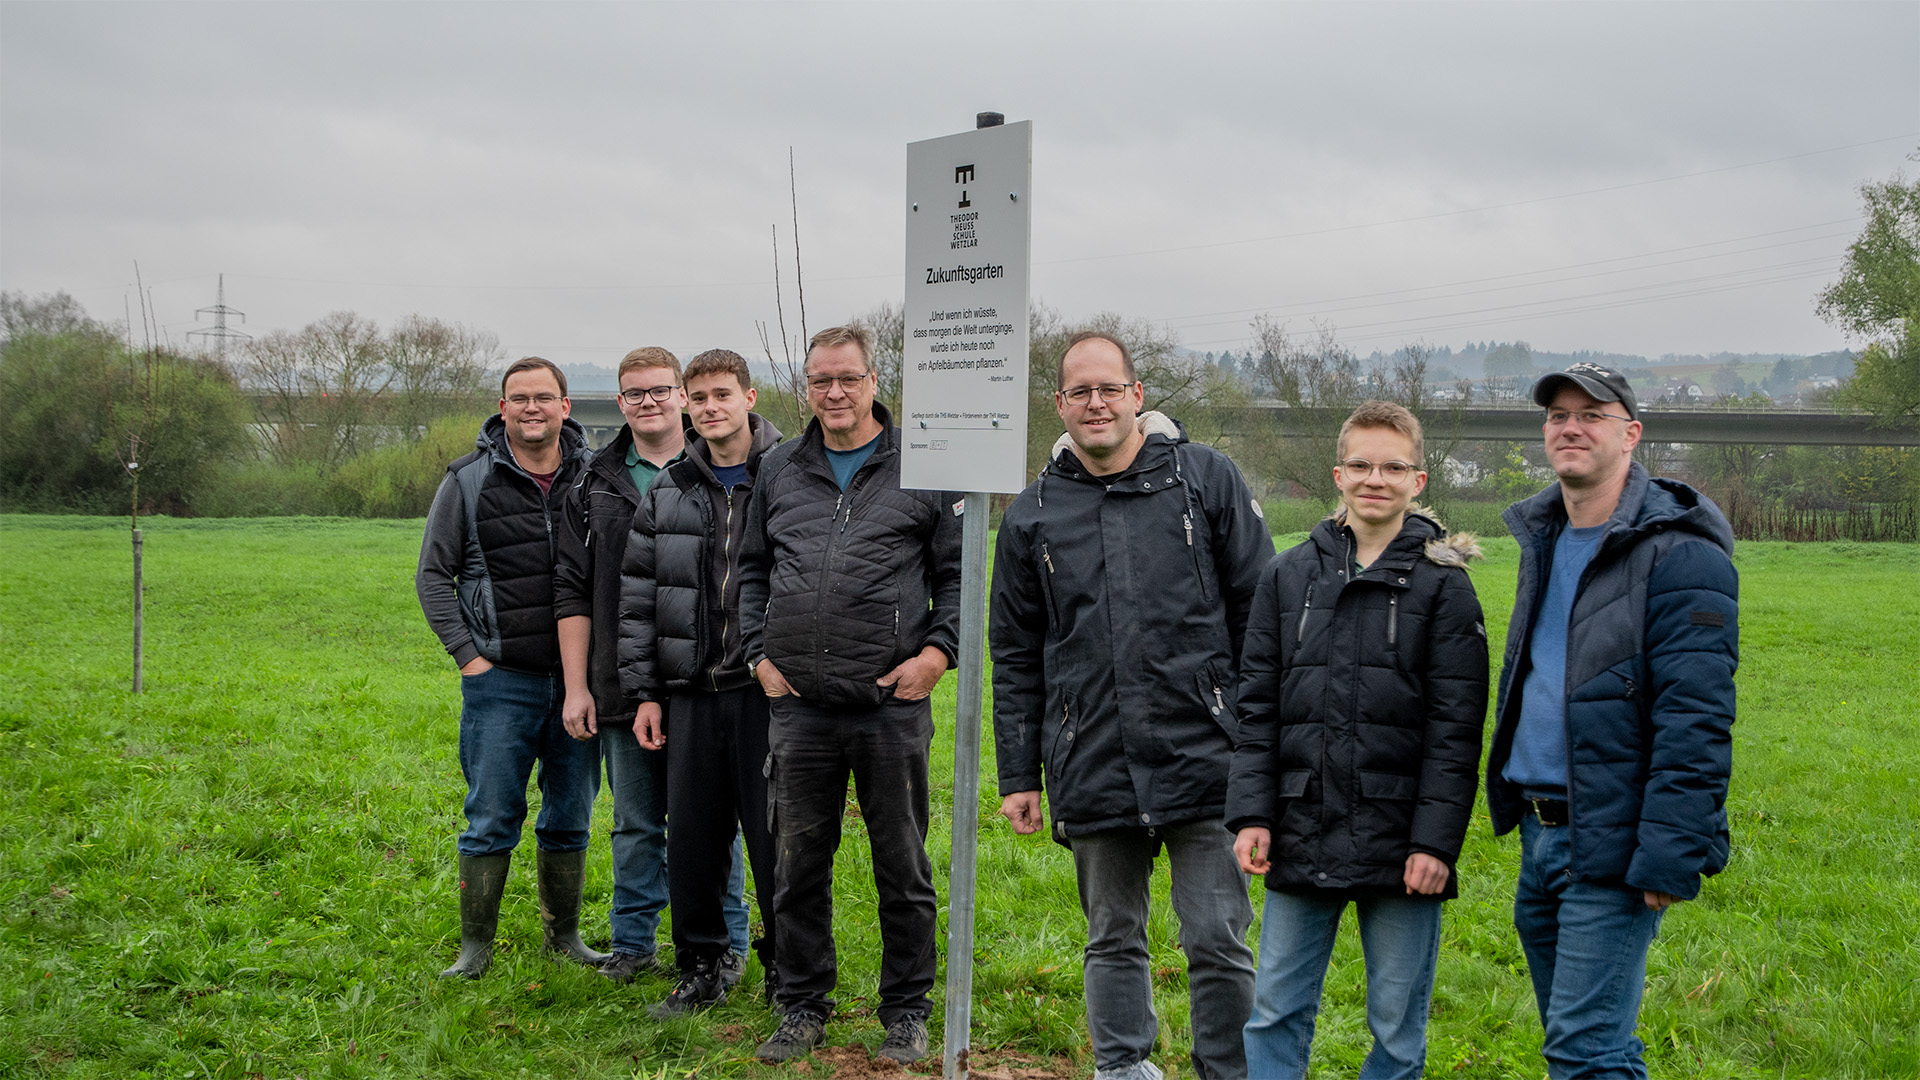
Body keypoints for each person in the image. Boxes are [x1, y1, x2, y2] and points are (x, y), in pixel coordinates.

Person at [990, 331, 1273, 1080]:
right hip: (1093, 757)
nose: (1096, 403)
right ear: (1059, 405)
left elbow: (1261, 619)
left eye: (1109, 388)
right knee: (1113, 935)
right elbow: (1016, 653)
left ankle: (1229, 1071)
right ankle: (1122, 1067)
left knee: (1217, 937)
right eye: (1080, 391)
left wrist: (1260, 744)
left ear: (1137, 395)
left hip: (1209, 754)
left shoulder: (1205, 480)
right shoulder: (1031, 514)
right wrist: (1018, 772)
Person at [1488, 363, 1737, 1079]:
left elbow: (1698, 716)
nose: (1571, 426)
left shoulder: (1681, 552)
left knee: (1581, 1050)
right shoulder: (1544, 535)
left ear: (1630, 434)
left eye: (1592, 414)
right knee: (1595, 1049)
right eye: (1559, 414)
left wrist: (1668, 851)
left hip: (1615, 838)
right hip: (1542, 833)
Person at [1226, 401, 1489, 1079]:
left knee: (1398, 1031)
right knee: (1276, 1012)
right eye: (1363, 465)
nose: (1377, 478)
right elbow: (1257, 708)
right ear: (1338, 473)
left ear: (1418, 480)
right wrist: (1254, 813)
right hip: (1301, 824)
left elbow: (1457, 730)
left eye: (1394, 466)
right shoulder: (1287, 578)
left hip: (1403, 841)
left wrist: (1436, 843)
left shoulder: (1445, 588)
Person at [737, 325, 962, 1064]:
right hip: (798, 706)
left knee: (902, 864)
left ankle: (906, 1010)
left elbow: (960, 574)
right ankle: (802, 1004)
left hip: (890, 707)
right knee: (796, 863)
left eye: (848, 379)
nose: (834, 392)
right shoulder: (778, 468)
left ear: (873, 381)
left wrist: (938, 652)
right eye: (820, 380)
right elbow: (750, 572)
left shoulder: (924, 465)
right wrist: (758, 658)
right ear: (806, 388)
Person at [552, 346, 753, 983]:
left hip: (711, 677)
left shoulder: (726, 468)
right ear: (619, 402)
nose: (649, 402)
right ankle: (633, 946)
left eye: (661, 390)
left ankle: (730, 945)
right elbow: (574, 588)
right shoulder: (591, 480)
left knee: (722, 823)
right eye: (634, 393)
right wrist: (579, 684)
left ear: (683, 398)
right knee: (637, 822)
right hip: (626, 677)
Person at [416, 356, 604, 978]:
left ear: (565, 407)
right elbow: (432, 577)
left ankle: (564, 937)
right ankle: (475, 948)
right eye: (518, 398)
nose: (531, 408)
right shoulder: (467, 480)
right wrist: (469, 660)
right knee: (492, 815)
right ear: (502, 408)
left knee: (570, 814)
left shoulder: (594, 479)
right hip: (501, 683)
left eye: (543, 398)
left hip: (583, 686)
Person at [617, 349, 785, 1016]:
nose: (711, 406)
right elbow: (637, 597)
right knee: (691, 838)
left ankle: (788, 971)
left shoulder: (788, 477)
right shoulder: (669, 488)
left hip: (764, 693)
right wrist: (645, 693)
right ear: (686, 403)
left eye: (723, 394)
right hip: (689, 692)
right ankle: (701, 968)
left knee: (778, 842)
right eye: (700, 396)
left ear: (748, 396)